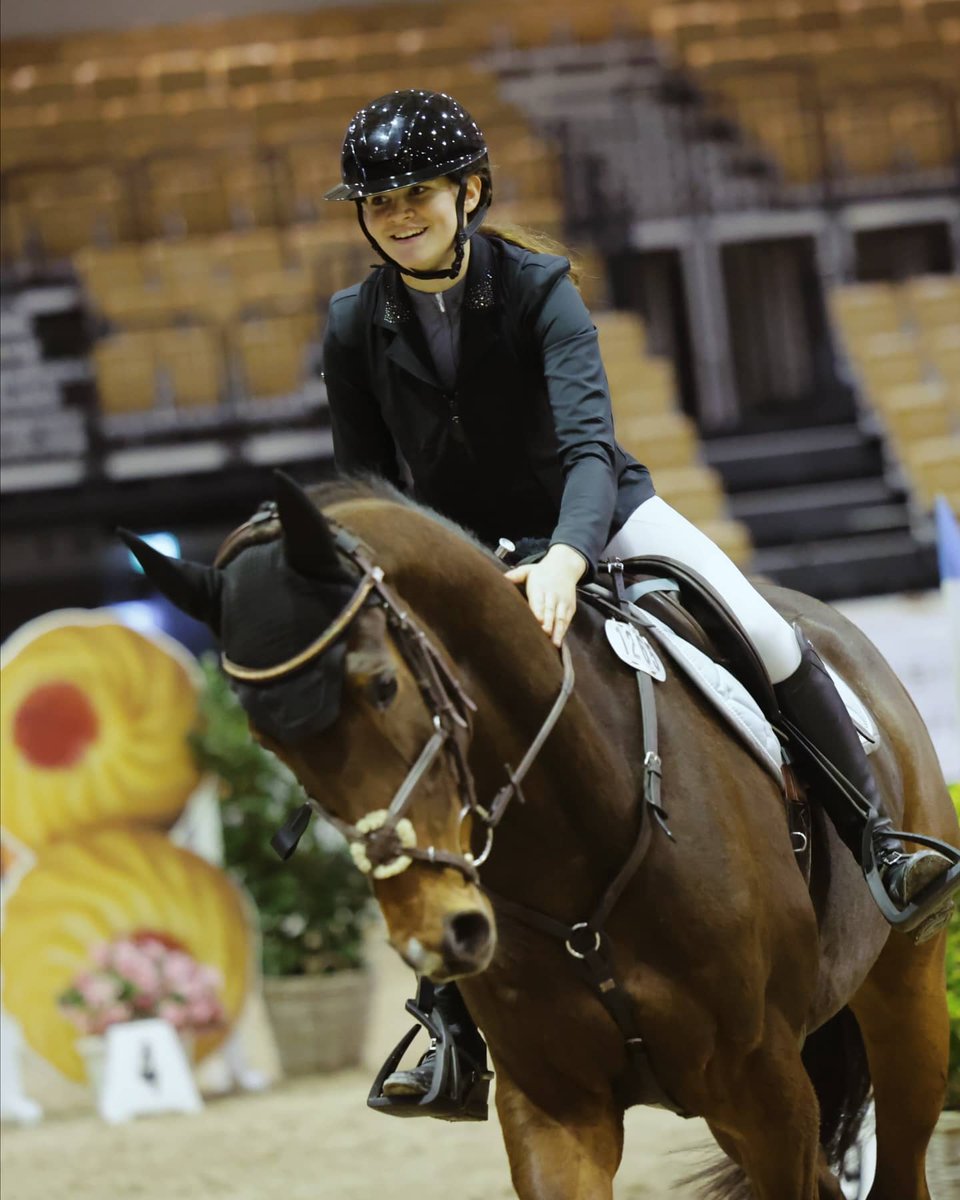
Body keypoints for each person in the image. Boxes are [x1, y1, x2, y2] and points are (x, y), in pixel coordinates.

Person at [321, 89, 957, 1117]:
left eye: (417, 192)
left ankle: (880, 845)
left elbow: (583, 446)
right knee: (414, 748)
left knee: (762, 629)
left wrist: (569, 556)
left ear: (468, 191)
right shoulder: (354, 325)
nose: (396, 213)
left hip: (599, 515)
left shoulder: (538, 289)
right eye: (378, 199)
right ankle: (446, 1011)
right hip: (467, 561)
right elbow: (367, 487)